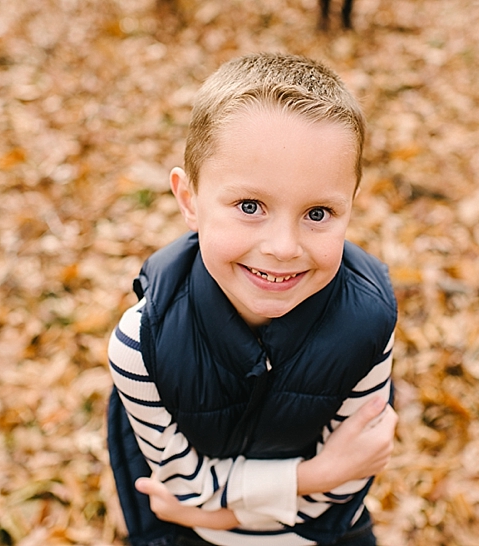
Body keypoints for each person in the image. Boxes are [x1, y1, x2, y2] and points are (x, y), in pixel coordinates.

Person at [107, 52, 398, 546]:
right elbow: (180, 490)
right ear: (189, 200)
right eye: (249, 206)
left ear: (351, 204)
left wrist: (221, 509)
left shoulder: (367, 322)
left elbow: (347, 481)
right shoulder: (142, 343)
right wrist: (311, 476)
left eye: (319, 212)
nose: (283, 247)